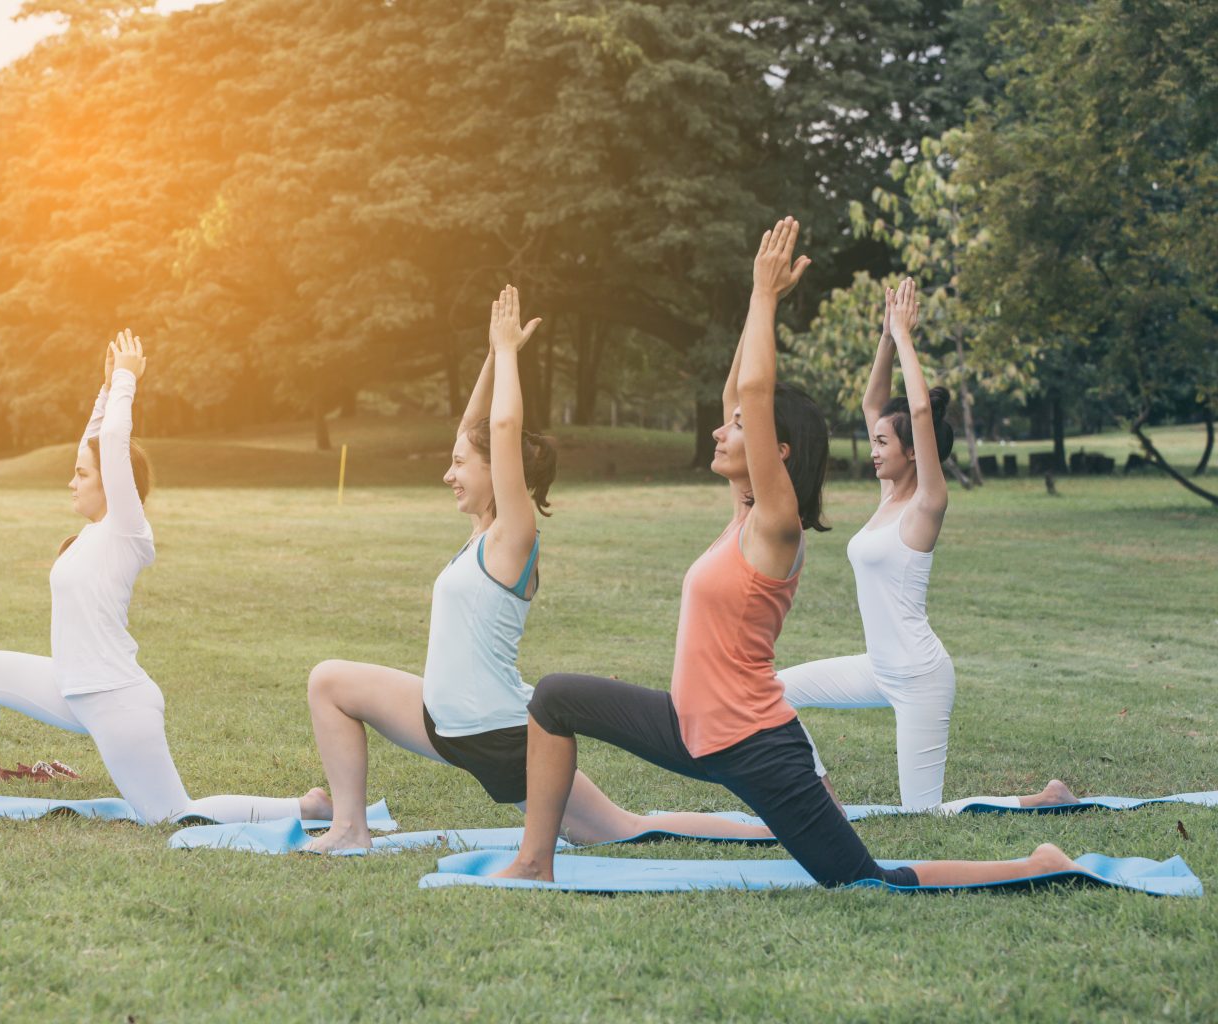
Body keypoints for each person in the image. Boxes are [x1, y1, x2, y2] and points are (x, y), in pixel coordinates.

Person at [493, 219, 1078, 886]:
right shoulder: (740, 514)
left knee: (864, 880)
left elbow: (754, 394)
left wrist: (766, 297)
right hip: (687, 727)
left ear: (779, 453)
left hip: (754, 747)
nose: (721, 429)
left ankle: (1035, 861)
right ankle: (535, 861)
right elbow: (736, 390)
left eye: (738, 429)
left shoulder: (778, 525)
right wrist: (754, 301)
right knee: (554, 699)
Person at [302, 286, 774, 852]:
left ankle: (771, 828)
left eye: (458, 465)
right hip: (442, 721)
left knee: (621, 829)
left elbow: (499, 431)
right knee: (328, 681)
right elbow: (477, 427)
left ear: (497, 474)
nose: (448, 475)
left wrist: (507, 357)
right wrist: (495, 354)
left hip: (501, 735)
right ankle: (350, 829)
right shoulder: (480, 531)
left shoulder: (512, 537)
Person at [0, 330, 327, 827]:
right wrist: (107, 388)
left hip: (115, 700)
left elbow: (111, 441)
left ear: (114, 482)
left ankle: (306, 806)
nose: (71, 481)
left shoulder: (126, 531)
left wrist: (129, 378)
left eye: (82, 475)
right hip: (72, 688)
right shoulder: (92, 534)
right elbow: (95, 437)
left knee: (173, 814)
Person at [779, 278, 1075, 812]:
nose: (873, 450)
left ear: (914, 452)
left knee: (926, 815)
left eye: (882, 443)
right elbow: (875, 401)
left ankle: (1046, 797)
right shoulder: (888, 494)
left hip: (919, 676)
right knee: (773, 691)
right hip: (878, 666)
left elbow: (918, 416)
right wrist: (886, 339)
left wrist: (907, 336)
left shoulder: (926, 505)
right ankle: (821, 792)